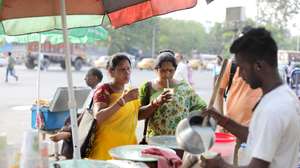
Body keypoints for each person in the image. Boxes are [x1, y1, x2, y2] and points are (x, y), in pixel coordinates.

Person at [200, 28, 300, 168]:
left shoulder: (274, 109)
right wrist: (222, 120)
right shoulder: (283, 96)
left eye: (242, 68)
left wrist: (220, 165)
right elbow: (255, 136)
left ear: (259, 66)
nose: (240, 74)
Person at [88, 53, 171, 160]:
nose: (127, 72)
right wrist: (123, 100)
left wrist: (156, 103)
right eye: (122, 69)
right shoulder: (104, 90)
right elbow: (98, 116)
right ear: (111, 72)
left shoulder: (129, 90)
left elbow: (137, 115)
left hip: (127, 147)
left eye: (128, 69)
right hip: (106, 148)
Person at [139, 50, 207, 136]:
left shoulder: (184, 88)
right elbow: (138, 115)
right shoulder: (147, 87)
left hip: (178, 140)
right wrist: (156, 103)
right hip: (155, 141)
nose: (167, 74)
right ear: (156, 70)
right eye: (163, 71)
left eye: (171, 70)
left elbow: (201, 108)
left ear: (175, 70)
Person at [49, 68, 103, 142]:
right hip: (91, 116)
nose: (85, 79)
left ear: (95, 78)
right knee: (72, 117)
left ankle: (69, 132)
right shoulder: (95, 90)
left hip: (94, 119)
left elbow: (91, 111)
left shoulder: (99, 91)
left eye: (87, 76)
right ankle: (68, 131)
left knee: (83, 114)